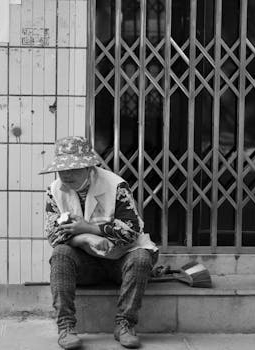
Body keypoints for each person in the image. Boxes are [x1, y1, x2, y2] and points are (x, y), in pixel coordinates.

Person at [39, 136, 158, 349]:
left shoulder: (115, 185)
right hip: (88, 265)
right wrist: (86, 237)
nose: (67, 174)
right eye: (62, 169)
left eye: (74, 168)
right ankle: (66, 327)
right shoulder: (55, 191)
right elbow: (54, 235)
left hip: (121, 261)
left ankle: (125, 324)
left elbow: (131, 231)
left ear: (89, 166)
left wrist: (90, 228)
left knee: (141, 257)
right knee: (60, 254)